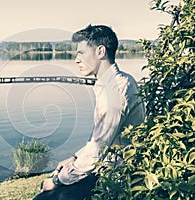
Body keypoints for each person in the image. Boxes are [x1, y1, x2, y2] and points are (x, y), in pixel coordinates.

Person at [33, 25, 145, 200]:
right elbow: (99, 140)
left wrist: (57, 179)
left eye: (81, 53)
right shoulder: (114, 82)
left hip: (117, 174)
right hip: (108, 166)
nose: (76, 60)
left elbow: (97, 150)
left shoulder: (115, 89)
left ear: (100, 51)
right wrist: (74, 157)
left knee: (45, 198)